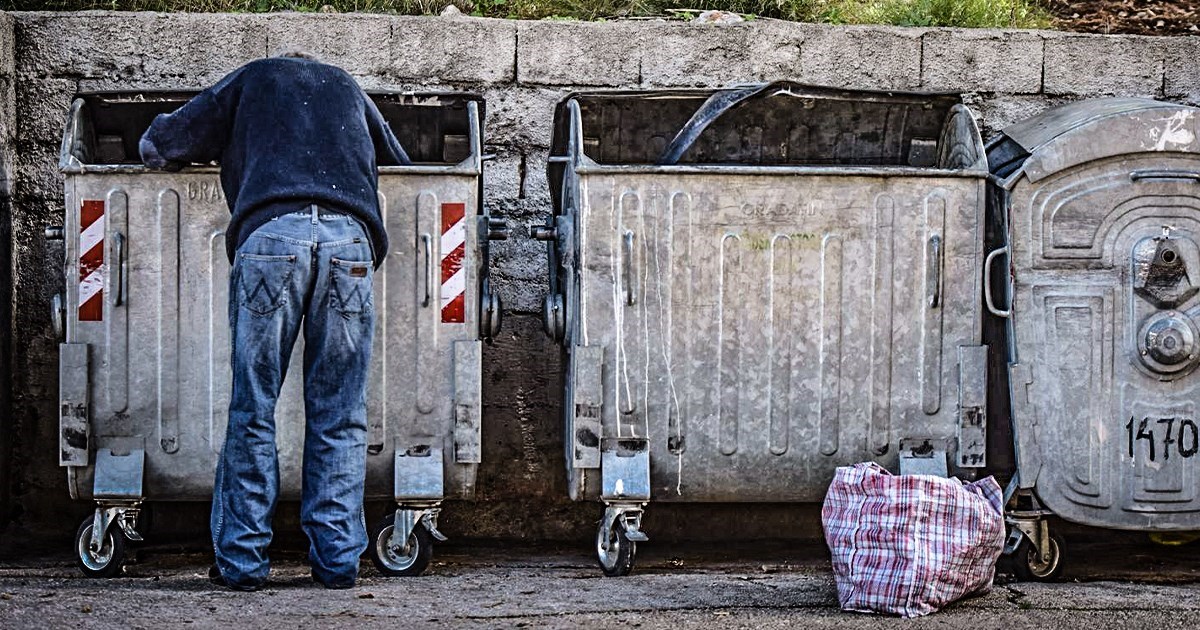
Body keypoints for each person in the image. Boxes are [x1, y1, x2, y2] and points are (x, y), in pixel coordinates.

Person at [139, 52, 409, 591]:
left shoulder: (249, 79)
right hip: (350, 244)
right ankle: (337, 562)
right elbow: (397, 156)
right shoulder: (347, 82)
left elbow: (160, 144)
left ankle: (242, 563)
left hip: (273, 240)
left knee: (254, 406)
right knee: (341, 411)